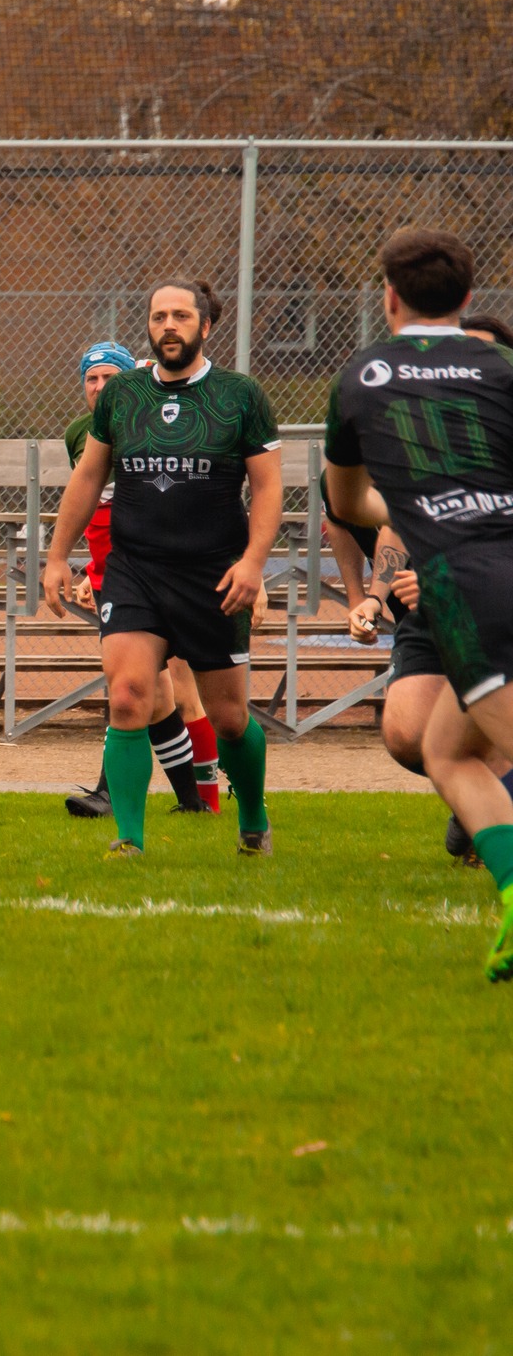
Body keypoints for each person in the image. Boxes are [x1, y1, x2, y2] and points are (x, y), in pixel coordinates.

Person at [323, 228, 513, 981]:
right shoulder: (501, 363)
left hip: (466, 581)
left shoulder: (360, 375)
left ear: (389, 296)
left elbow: (345, 501)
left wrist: (409, 499)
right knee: (445, 749)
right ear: (469, 299)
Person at [41, 280, 282, 859]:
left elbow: (269, 485)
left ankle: (252, 814)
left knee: (228, 718)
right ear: (147, 326)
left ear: (205, 325)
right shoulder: (123, 395)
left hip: (214, 576)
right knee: (127, 696)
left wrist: (252, 564)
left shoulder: (240, 395)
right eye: (157, 316)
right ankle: (129, 839)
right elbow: (88, 478)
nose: (168, 325)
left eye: (180, 315)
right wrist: (55, 556)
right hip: (135, 569)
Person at [57, 341, 217, 818]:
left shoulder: (157, 421)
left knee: (176, 691)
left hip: (167, 570)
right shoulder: (78, 434)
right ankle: (194, 801)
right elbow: (96, 511)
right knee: (154, 692)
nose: (100, 387)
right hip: (117, 573)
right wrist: (90, 568)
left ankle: (120, 794)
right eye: (92, 378)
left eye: (111, 377)